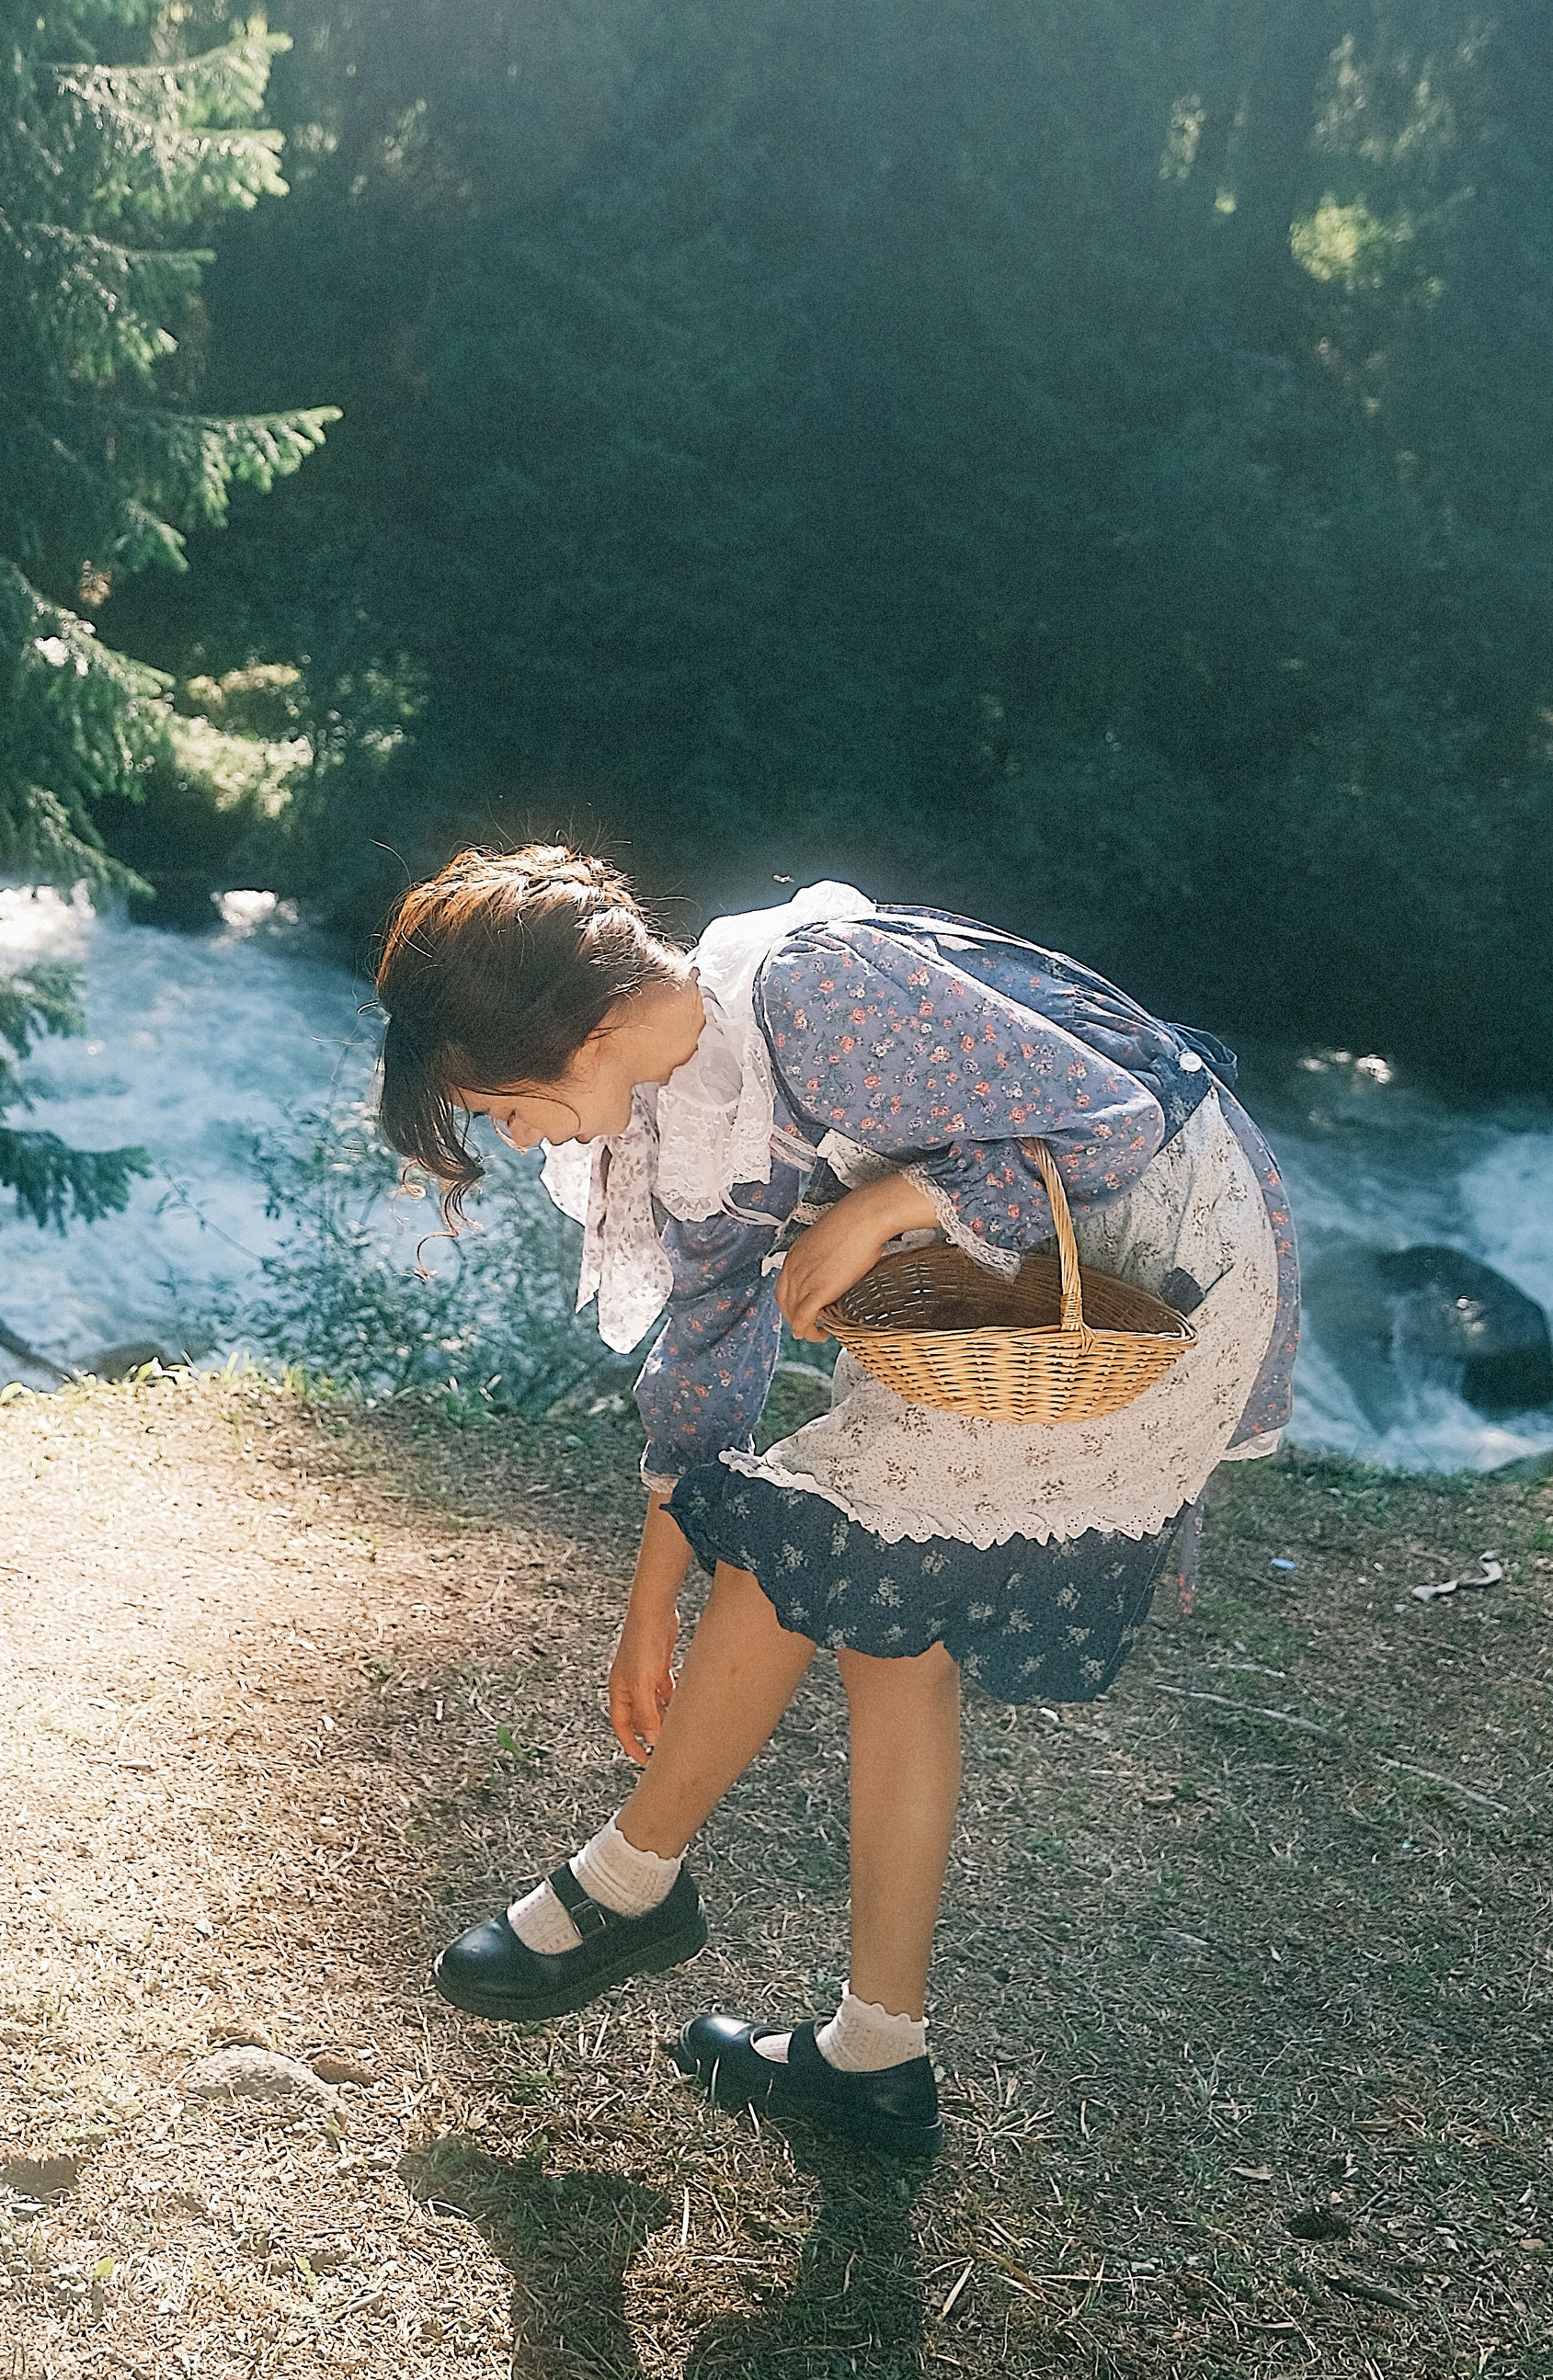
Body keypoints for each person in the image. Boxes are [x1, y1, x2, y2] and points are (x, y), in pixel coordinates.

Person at [374, 847, 1297, 2161]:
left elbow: (1115, 1115)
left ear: (561, 1029)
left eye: (503, 1106)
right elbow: (706, 1357)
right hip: (1034, 1280)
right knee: (884, 1629)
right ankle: (876, 2058)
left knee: (808, 1529)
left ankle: (626, 1882)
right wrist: (650, 1610)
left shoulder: (809, 991)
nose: (520, 1140)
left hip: (1154, 1276)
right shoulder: (671, 1120)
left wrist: (883, 1207)